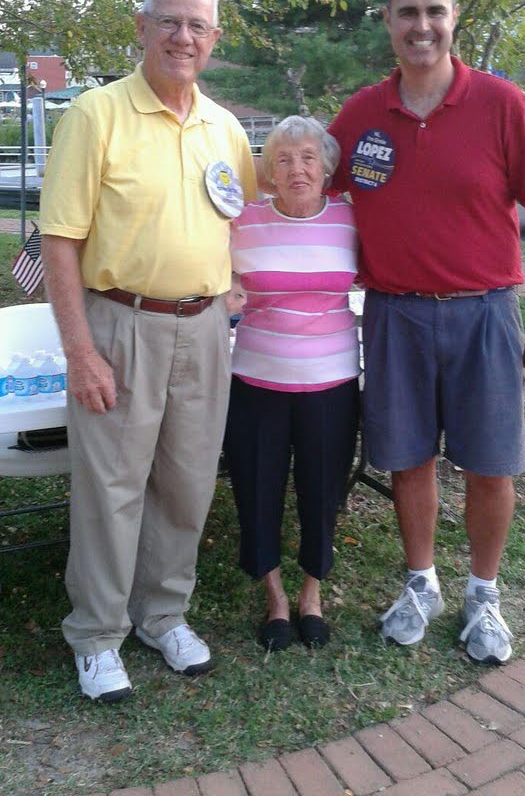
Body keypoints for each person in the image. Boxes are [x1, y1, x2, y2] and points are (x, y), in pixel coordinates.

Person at [328, 0, 525, 664]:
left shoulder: (502, 104)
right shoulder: (364, 115)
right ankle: (421, 583)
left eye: (434, 11)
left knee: (490, 466)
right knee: (407, 461)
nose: (422, 26)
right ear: (388, 22)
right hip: (394, 315)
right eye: (407, 13)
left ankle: (483, 595)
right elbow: (305, 181)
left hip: (484, 314)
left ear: (454, 17)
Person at [40, 0, 258, 701]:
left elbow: (243, 219)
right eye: (169, 21)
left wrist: (233, 284)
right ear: (141, 27)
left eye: (197, 26)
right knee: (111, 486)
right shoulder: (96, 115)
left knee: (187, 483)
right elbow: (60, 241)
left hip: (203, 333)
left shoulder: (225, 128)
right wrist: (80, 350)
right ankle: (98, 634)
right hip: (119, 324)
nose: (182, 37)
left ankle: (162, 615)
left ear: (215, 39)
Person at [224, 116, 360, 651]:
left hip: (332, 379)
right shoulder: (242, 219)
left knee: (322, 490)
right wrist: (230, 289)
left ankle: (311, 594)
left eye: (308, 158)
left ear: (326, 169)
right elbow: (217, 273)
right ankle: (275, 598)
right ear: (269, 172)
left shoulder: (351, 219)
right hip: (257, 378)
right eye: (283, 159)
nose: (296, 168)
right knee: (257, 487)